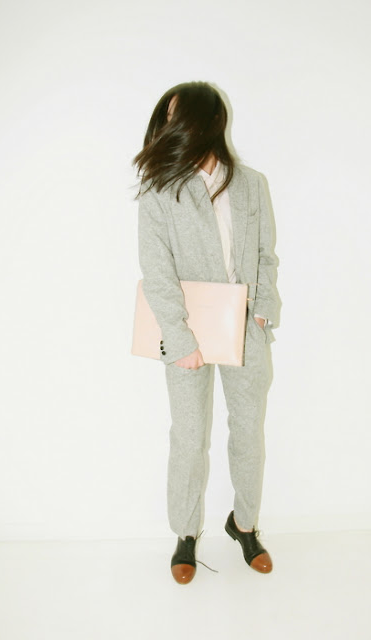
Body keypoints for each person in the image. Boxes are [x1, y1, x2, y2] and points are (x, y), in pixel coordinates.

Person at [132, 81, 280, 584]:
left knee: (248, 433)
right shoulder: (158, 190)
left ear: (208, 120)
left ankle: (245, 525)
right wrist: (180, 339)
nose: (171, 127)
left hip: (245, 328)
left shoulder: (251, 184)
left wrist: (262, 311)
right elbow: (157, 272)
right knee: (190, 436)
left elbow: (265, 255)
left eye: (180, 117)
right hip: (185, 333)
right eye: (167, 118)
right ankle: (186, 532)